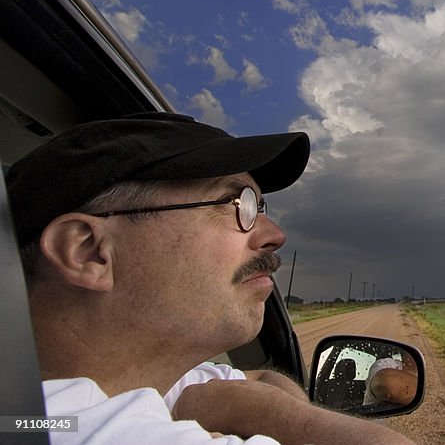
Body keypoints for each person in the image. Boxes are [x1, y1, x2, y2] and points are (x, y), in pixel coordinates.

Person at [7, 111, 414, 445]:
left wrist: (256, 405)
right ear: (88, 252)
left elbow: (261, 378)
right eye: (237, 203)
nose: (274, 235)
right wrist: (280, 417)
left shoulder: (132, 381)